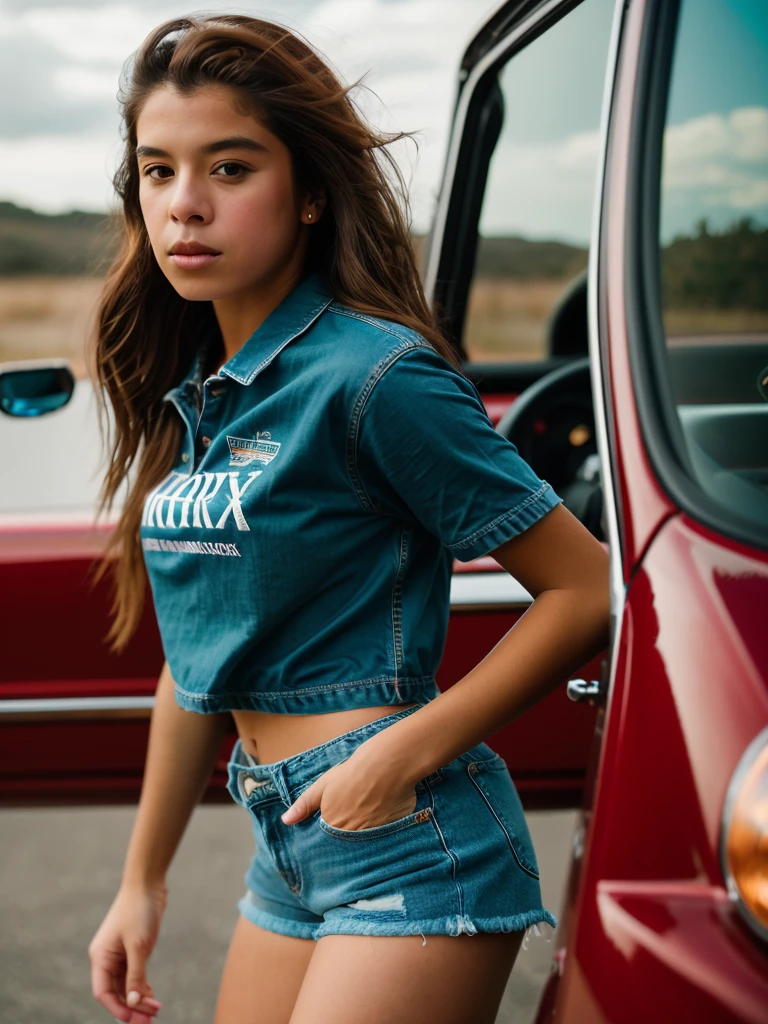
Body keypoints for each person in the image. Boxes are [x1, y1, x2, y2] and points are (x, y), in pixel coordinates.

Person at [86, 13, 610, 1024]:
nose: (185, 205)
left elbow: (583, 588)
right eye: (158, 171)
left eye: (229, 169)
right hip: (287, 840)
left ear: (312, 193)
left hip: (412, 832)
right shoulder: (207, 392)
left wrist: (400, 753)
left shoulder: (375, 377)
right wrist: (140, 881)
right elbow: (198, 659)